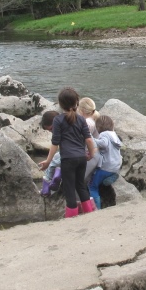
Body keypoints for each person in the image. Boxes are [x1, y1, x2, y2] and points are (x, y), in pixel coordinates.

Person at [38, 87, 96, 218]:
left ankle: (71, 218)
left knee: (69, 189)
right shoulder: (81, 119)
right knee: (81, 186)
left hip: (68, 159)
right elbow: (89, 140)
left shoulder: (58, 120)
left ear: (60, 104)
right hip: (81, 158)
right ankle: (90, 215)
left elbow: (55, 143)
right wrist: (91, 154)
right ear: (76, 102)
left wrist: (48, 161)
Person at [89, 114, 122, 208]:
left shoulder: (103, 134)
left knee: (92, 186)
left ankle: (96, 208)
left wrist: (91, 139)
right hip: (116, 166)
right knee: (101, 177)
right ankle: (110, 176)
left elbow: (103, 144)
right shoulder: (113, 134)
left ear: (98, 127)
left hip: (106, 167)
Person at [38, 110, 62, 196]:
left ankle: (45, 188)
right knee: (56, 157)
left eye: (51, 129)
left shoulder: (58, 130)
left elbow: (54, 145)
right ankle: (58, 173)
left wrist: (48, 161)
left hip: (68, 154)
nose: (52, 131)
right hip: (78, 152)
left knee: (52, 164)